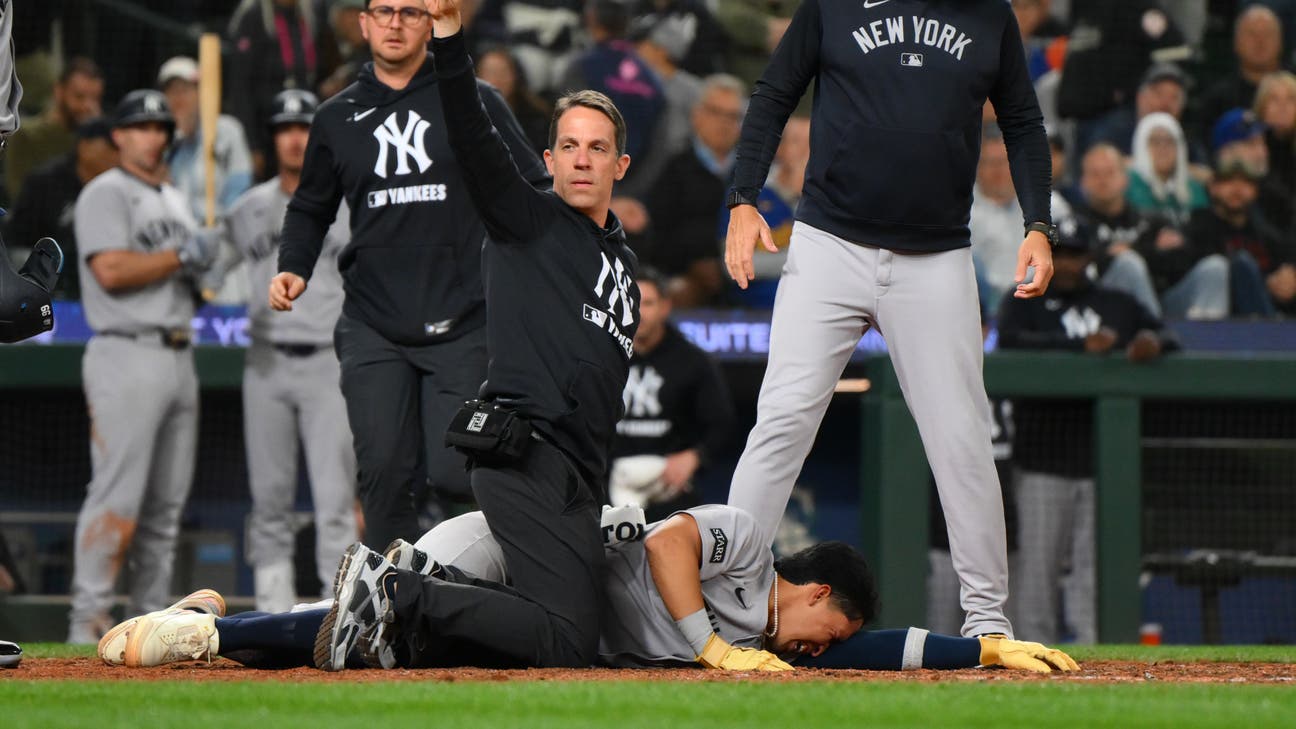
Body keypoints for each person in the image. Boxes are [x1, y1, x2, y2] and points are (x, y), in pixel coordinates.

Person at [304, 0, 646, 671]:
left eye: (597, 148)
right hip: (525, 454)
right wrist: (450, 40)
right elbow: (470, 131)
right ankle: (402, 593)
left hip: (577, 473)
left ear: (621, 166)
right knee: (568, 639)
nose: (581, 160)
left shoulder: (622, 263)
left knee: (576, 634)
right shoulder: (527, 218)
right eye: (568, 147)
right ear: (547, 159)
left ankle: (405, 606)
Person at [722, 0, 1056, 640]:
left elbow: (1022, 120)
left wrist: (1038, 224)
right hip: (829, 244)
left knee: (962, 439)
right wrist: (743, 197)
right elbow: (772, 94)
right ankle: (729, 608)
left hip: (936, 255)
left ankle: (988, 621)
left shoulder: (988, 12)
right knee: (783, 421)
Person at [97, 505, 1078, 674]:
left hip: (533, 612)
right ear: (813, 588)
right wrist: (708, 647)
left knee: (364, 647)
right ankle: (217, 630)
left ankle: (211, 626)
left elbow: (872, 653)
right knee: (377, 617)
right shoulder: (748, 546)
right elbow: (668, 545)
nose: (826, 646)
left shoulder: (786, 644)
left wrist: (979, 645)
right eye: (834, 623)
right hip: (510, 552)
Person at [271, 0, 547, 553]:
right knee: (383, 478)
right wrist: (292, 265)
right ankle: (388, 614)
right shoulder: (334, 116)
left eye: (411, 12)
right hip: (373, 325)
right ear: (364, 22)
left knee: (457, 473)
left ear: (431, 23)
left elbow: (533, 186)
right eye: (384, 11)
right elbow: (310, 205)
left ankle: (481, 591)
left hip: (464, 319)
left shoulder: (473, 99)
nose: (396, 23)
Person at [66, 89, 219, 643]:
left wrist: (201, 271)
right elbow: (109, 269)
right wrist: (181, 255)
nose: (152, 136)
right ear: (118, 135)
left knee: (164, 510)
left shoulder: (176, 197)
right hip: (125, 351)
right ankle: (86, 625)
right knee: (118, 498)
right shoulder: (105, 192)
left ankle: (147, 629)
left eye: (159, 127)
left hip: (179, 352)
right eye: (140, 126)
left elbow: (185, 278)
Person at [997, 217, 1177, 644]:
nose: (1069, 264)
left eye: (1076, 255)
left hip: (1102, 462)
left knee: (1093, 570)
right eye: (1061, 254)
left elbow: (1166, 334)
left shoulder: (1116, 303)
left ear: (1090, 258)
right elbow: (1009, 342)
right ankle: (1031, 651)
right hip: (1042, 462)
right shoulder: (1024, 299)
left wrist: (1152, 341)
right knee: (1037, 568)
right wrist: (1079, 348)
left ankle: (1094, 653)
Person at [221, 89, 358, 613]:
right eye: (285, 127)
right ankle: (273, 615)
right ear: (273, 138)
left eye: (304, 127)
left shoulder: (347, 204)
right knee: (270, 502)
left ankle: (340, 613)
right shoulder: (248, 207)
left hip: (329, 358)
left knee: (334, 502)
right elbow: (208, 271)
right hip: (265, 360)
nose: (296, 137)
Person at [609, 268, 733, 522]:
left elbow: (722, 423)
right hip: (602, 490)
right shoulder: (602, 356)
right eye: (631, 302)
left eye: (648, 303)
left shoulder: (694, 361)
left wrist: (695, 456)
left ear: (665, 307)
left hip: (670, 492)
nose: (638, 312)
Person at [157, 56, 256, 304]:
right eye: (171, 92)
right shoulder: (159, 143)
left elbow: (240, 193)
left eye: (186, 90)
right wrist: (173, 142)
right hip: (177, 253)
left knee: (227, 322)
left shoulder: (226, 131)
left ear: (202, 93)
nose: (179, 99)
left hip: (224, 250)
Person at [643, 74, 745, 307]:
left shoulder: (752, 173)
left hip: (746, 274)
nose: (725, 123)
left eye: (733, 116)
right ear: (697, 116)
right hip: (685, 274)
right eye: (716, 112)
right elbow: (658, 234)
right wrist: (694, 264)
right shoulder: (673, 168)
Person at [3, 117, 117, 300]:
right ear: (85, 147)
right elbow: (16, 243)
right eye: (111, 147)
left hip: (99, 284)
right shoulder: (45, 183)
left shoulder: (117, 187)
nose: (117, 155)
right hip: (49, 286)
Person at [226, 0, 340, 178]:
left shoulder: (313, 12)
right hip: (266, 128)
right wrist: (252, 145)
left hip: (308, 121)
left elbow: (326, 66)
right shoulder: (253, 14)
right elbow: (241, 87)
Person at [1070, 143, 1169, 318]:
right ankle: (1156, 333)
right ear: (1083, 182)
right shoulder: (1074, 225)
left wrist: (1130, 251)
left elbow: (1175, 262)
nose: (1103, 180)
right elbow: (1077, 268)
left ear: (1125, 178)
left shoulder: (1151, 221)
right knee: (1128, 263)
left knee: (1213, 268)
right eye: (1095, 174)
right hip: (1094, 305)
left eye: (1109, 173)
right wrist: (1128, 255)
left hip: (1158, 296)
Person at [3, 57, 102, 199]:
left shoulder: (98, 140)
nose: (88, 106)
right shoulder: (26, 135)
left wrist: (96, 133)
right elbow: (19, 194)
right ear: (59, 91)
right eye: (79, 97)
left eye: (95, 99)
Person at [1197, 5, 1286, 157]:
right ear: (1236, 42)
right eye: (1252, 34)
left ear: (1281, 42)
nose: (1260, 41)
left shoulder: (1293, 92)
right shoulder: (1217, 100)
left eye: (1267, 34)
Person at [1125, 112, 1209, 226]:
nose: (1163, 148)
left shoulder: (1194, 189)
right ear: (1141, 146)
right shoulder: (1126, 186)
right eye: (1155, 141)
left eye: (1169, 141)